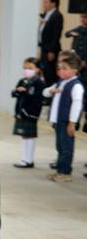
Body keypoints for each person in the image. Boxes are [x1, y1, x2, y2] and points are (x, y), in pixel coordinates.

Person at [42, 52, 83, 182]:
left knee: (66, 148)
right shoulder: (60, 83)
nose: (61, 71)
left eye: (65, 68)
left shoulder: (76, 85)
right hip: (58, 121)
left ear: (74, 70)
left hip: (66, 122)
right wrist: (51, 91)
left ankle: (66, 172)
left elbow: (77, 104)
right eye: (59, 68)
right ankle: (59, 170)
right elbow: (45, 92)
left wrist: (72, 122)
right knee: (60, 147)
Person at [11, 58, 45, 169]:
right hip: (21, 112)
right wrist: (17, 91)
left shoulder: (39, 83)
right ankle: (25, 159)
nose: (27, 70)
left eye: (30, 68)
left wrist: (26, 93)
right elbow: (15, 94)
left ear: (37, 69)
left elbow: (38, 100)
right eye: (25, 68)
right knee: (24, 136)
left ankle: (28, 160)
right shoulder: (23, 81)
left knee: (29, 136)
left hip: (30, 113)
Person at [38, 0, 64, 86]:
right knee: (44, 71)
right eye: (44, 2)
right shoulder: (46, 14)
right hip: (44, 47)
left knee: (50, 73)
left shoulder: (57, 15)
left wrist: (52, 51)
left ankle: (52, 91)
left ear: (53, 4)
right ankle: (47, 91)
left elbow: (56, 34)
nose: (44, 4)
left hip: (50, 50)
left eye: (46, 2)